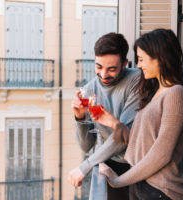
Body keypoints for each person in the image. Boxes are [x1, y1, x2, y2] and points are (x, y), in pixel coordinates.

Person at [93, 29, 183, 200]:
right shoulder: (155, 92)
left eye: (141, 59)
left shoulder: (177, 93)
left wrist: (118, 181)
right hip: (142, 185)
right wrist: (113, 123)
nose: (138, 65)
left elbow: (161, 154)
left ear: (160, 58)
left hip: (160, 190)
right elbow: (144, 143)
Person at [68, 32, 141, 200]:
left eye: (112, 69)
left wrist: (84, 167)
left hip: (136, 164)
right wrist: (80, 119)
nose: (103, 75)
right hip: (107, 166)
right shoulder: (88, 90)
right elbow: (86, 146)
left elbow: (123, 136)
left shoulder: (136, 81)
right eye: (99, 67)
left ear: (124, 64)